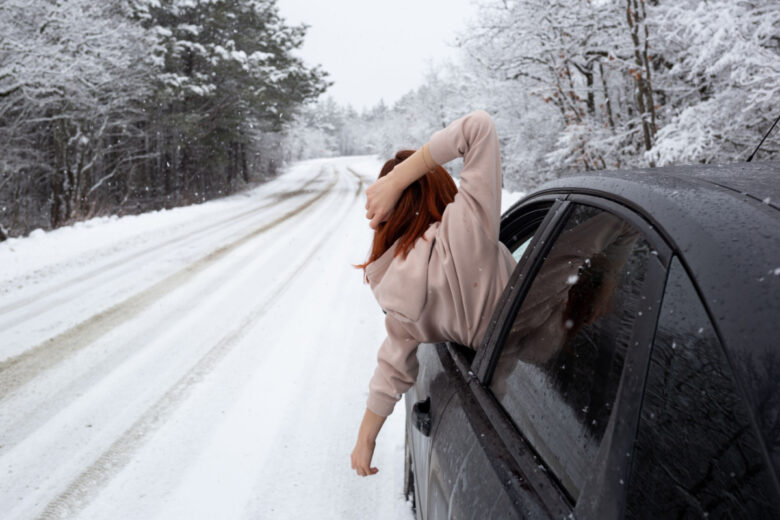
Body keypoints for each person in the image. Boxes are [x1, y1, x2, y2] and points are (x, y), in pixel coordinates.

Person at [350, 109, 517, 477]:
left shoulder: (396, 291)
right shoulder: (467, 230)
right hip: (553, 366)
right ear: (442, 189)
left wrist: (366, 437)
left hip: (507, 402)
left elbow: (393, 364)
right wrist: (399, 177)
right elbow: (479, 127)